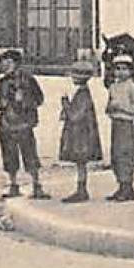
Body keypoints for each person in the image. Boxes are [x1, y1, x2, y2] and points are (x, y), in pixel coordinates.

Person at [0, 49, 47, 199]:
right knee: (9, 156)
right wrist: (1, 103)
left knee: (30, 155)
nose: (5, 67)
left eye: (9, 63)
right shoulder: (1, 83)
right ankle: (13, 185)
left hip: (24, 125)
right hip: (6, 125)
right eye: (3, 64)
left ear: (17, 64)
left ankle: (37, 185)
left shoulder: (29, 81)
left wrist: (25, 100)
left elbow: (39, 99)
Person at [58, 62, 103, 202]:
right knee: (80, 163)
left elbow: (75, 116)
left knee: (81, 162)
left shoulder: (82, 95)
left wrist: (65, 103)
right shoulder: (83, 93)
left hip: (81, 134)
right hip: (82, 132)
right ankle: (81, 189)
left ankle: (81, 190)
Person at [104, 54, 134, 201]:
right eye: (118, 69)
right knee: (116, 155)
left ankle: (127, 186)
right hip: (116, 124)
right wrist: (110, 108)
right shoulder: (113, 87)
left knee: (126, 154)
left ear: (130, 71)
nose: (120, 72)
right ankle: (121, 185)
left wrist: (122, 107)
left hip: (127, 124)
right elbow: (108, 106)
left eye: (124, 69)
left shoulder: (132, 87)